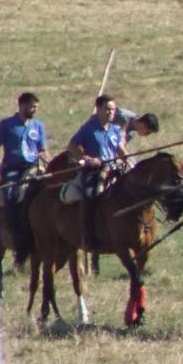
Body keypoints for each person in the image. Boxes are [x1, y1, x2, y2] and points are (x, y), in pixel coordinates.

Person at [0, 91, 49, 254]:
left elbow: (42, 149)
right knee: (9, 194)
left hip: (33, 168)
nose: (34, 110)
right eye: (32, 107)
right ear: (22, 105)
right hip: (12, 169)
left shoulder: (38, 126)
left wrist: (49, 162)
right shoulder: (7, 125)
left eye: (36, 107)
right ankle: (14, 230)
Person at [68, 94, 128, 252]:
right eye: (107, 110)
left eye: (113, 110)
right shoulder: (89, 128)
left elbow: (121, 150)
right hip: (94, 171)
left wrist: (124, 159)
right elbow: (72, 146)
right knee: (90, 195)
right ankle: (88, 235)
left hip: (115, 169)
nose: (111, 113)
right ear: (99, 109)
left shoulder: (115, 129)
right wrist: (86, 159)